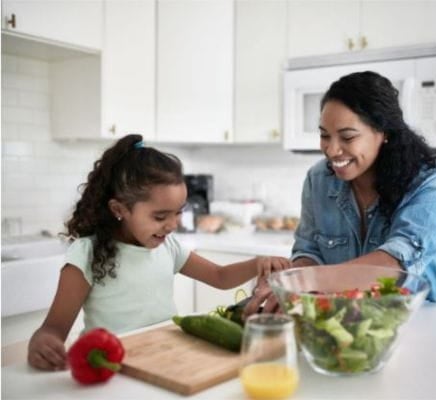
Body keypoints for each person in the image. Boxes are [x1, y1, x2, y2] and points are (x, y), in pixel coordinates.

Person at [28, 134, 290, 371]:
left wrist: (258, 263)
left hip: (162, 359)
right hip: (109, 366)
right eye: (160, 216)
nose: (173, 225)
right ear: (119, 209)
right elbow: (53, 329)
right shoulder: (86, 253)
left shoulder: (168, 246)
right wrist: (44, 342)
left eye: (178, 213)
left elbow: (219, 277)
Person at [244, 71, 436, 318]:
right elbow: (310, 252)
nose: (331, 149)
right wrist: (286, 283)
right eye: (324, 135)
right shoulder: (319, 180)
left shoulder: (432, 182)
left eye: (347, 136)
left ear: (383, 132)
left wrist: (299, 283)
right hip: (358, 320)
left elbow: (397, 260)